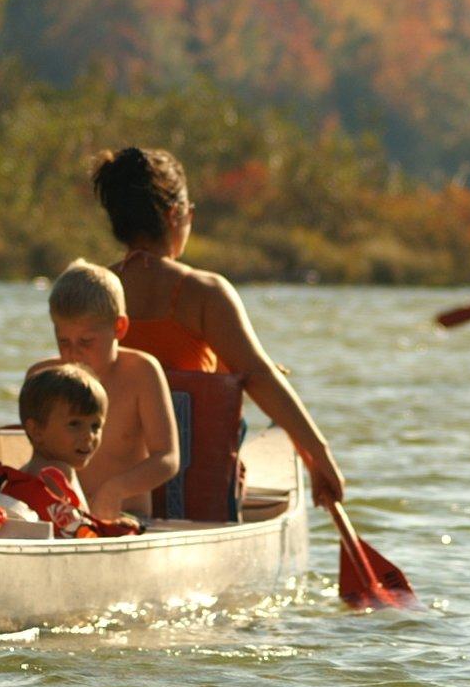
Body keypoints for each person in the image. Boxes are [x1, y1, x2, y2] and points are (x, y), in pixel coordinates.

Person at [92, 146, 346, 507]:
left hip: (106, 485)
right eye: (190, 214)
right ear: (175, 214)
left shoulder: (94, 287)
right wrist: (319, 457)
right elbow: (259, 377)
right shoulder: (203, 293)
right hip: (186, 488)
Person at [28, 260, 179, 521]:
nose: (73, 353)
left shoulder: (142, 372)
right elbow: (35, 452)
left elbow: (168, 458)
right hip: (62, 518)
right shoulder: (43, 376)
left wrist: (117, 488)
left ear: (119, 328)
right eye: (63, 341)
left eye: (86, 341)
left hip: (126, 516)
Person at [0, 364, 139, 538]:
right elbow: (82, 534)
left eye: (95, 426)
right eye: (75, 424)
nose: (89, 436)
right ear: (37, 431)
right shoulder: (60, 473)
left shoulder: (23, 474)